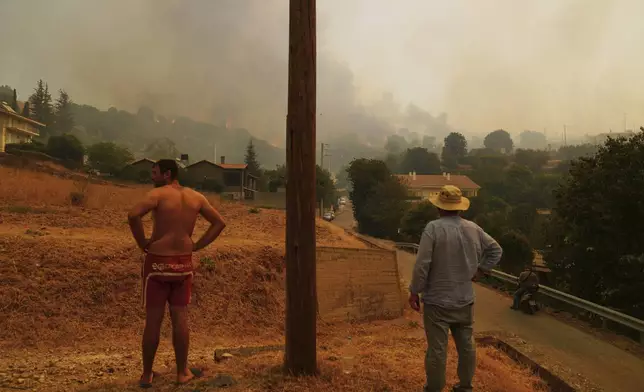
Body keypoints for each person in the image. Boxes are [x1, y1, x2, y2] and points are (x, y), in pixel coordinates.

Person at [128, 159, 226, 388]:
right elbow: (219, 223)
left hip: (158, 264)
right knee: (180, 316)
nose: (152, 176)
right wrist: (197, 245)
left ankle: (146, 375)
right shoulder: (196, 197)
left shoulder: (158, 195)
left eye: (155, 173)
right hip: (183, 263)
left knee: (153, 320)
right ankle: (182, 372)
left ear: (167, 174)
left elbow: (133, 215)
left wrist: (142, 242)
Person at [408, 185, 502, 392]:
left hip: (437, 301)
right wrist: (481, 270)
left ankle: (434, 388)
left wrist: (415, 290)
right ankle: (465, 386)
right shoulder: (473, 228)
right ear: (460, 207)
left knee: (437, 350)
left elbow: (422, 263)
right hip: (465, 298)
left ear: (439, 207)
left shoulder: (433, 228)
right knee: (467, 346)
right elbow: (496, 249)